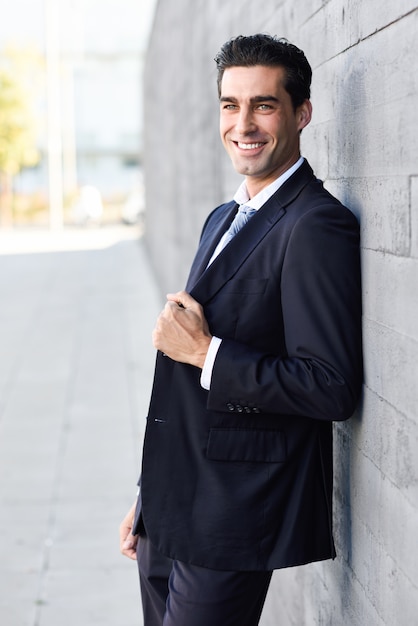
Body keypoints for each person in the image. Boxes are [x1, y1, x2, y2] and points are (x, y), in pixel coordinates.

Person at [119, 34, 363, 626]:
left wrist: (207, 352)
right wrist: (148, 494)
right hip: (175, 499)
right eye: (231, 105)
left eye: (264, 104)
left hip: (234, 510)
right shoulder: (223, 217)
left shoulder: (314, 225)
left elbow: (329, 386)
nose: (243, 124)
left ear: (301, 113)